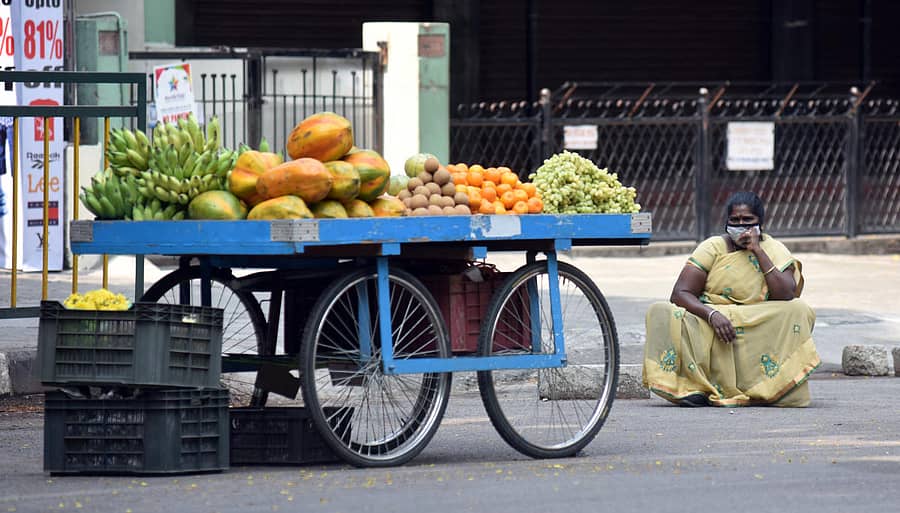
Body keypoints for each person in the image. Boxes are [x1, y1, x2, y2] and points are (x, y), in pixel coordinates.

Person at [642, 191, 820, 407]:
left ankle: (771, 387)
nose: (741, 225)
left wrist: (757, 250)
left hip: (756, 318)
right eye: (734, 220)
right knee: (658, 311)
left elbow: (786, 294)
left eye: (748, 220)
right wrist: (712, 315)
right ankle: (692, 389)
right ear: (726, 222)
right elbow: (680, 293)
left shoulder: (774, 248)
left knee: (799, 309)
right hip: (711, 318)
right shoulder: (713, 247)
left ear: (760, 223)